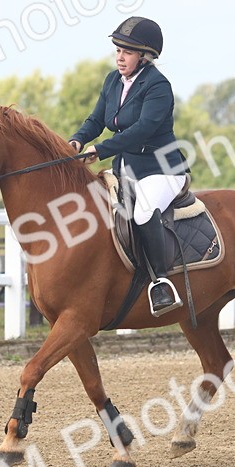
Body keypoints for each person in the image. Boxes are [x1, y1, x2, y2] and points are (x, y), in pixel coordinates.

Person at [69, 16, 188, 317]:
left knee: (143, 211)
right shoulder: (112, 80)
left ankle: (160, 283)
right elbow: (96, 120)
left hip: (161, 169)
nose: (120, 57)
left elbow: (143, 129)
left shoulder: (158, 86)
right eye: (118, 50)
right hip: (127, 169)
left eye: (128, 52)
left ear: (145, 57)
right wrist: (77, 141)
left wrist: (101, 149)